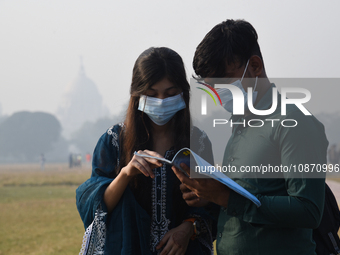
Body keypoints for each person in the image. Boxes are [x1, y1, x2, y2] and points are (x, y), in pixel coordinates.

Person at [172, 19, 329, 254]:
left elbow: (308, 210)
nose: (218, 95)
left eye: (224, 83)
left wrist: (227, 198)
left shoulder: (295, 122)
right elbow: (247, 197)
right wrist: (208, 196)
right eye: (212, 88)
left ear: (255, 66)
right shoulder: (240, 124)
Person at [76, 47, 215, 255]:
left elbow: (212, 205)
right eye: (152, 94)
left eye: (170, 94)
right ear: (137, 95)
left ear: (183, 94)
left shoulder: (198, 142)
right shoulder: (114, 141)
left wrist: (188, 228)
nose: (161, 101)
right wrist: (125, 174)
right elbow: (94, 205)